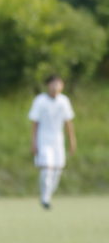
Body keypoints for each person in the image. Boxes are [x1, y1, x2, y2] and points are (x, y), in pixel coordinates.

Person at [29, 74, 76, 209]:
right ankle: (44, 197)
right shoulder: (40, 101)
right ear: (48, 85)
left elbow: (68, 123)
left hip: (58, 140)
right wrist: (33, 142)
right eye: (53, 84)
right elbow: (35, 123)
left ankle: (48, 195)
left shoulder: (64, 101)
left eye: (59, 84)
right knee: (47, 168)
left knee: (57, 170)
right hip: (43, 139)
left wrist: (72, 141)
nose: (56, 87)